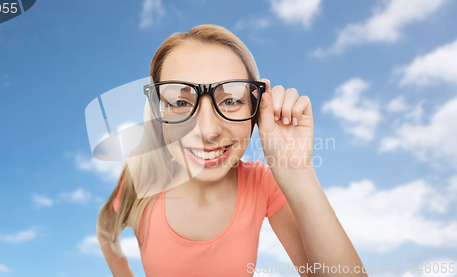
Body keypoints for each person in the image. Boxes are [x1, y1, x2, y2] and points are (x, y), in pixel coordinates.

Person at [96, 24, 367, 277]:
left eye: (232, 100)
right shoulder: (143, 178)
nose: (208, 130)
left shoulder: (262, 184)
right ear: (157, 112)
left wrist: (297, 171)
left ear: (256, 109)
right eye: (180, 101)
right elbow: (106, 228)